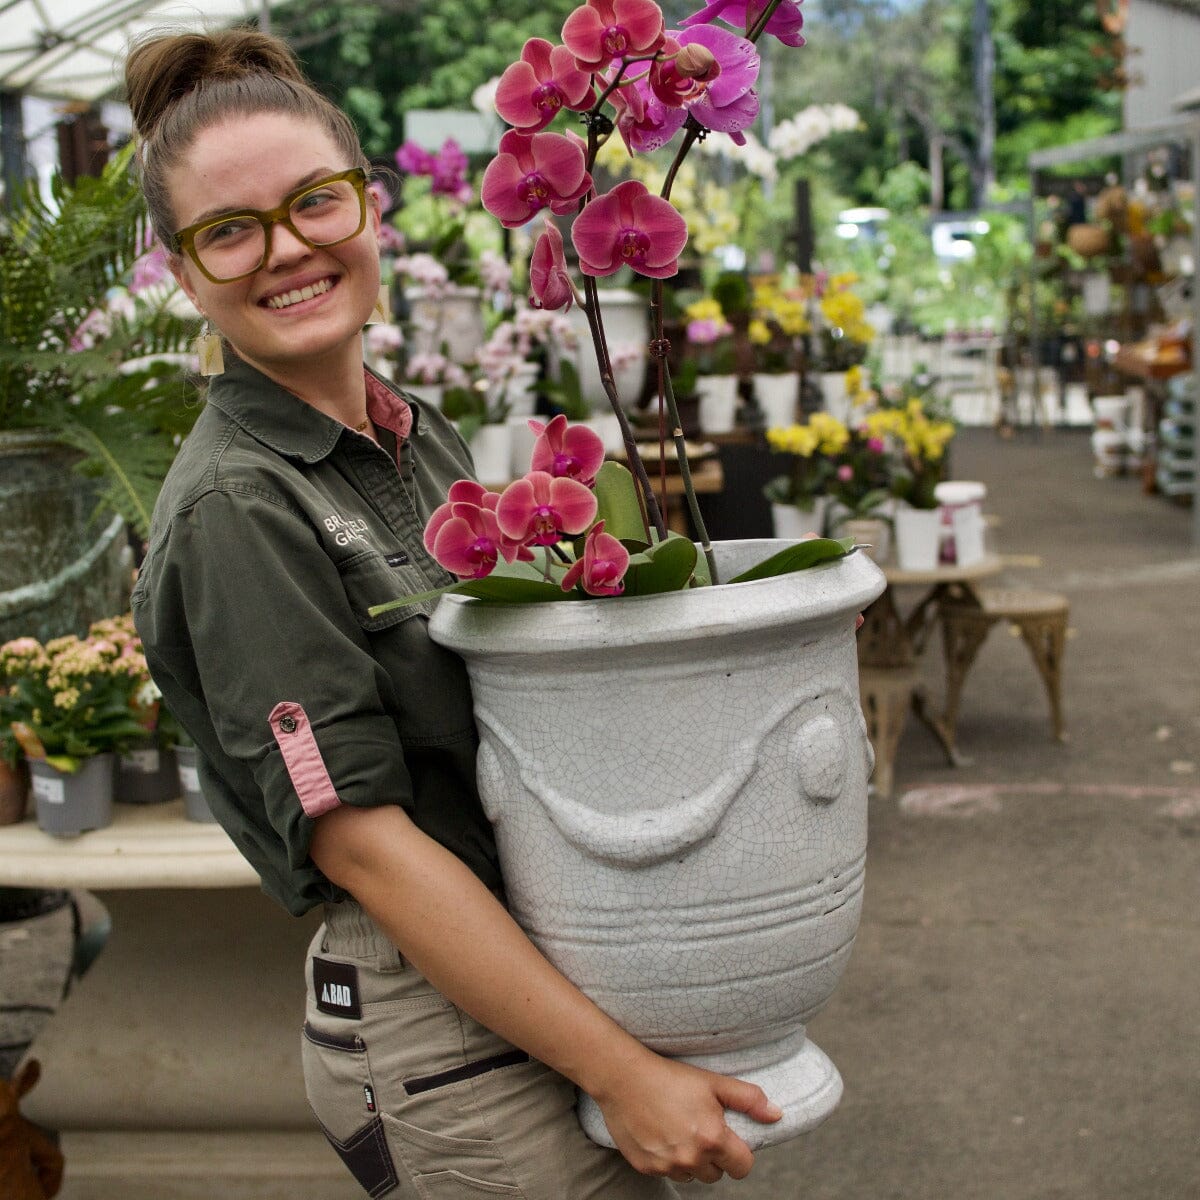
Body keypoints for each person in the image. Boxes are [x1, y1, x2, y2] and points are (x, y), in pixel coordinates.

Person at [125, 29, 782, 1199]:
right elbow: (363, 844)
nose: (285, 251)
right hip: (443, 1039)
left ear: (368, 208)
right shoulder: (239, 506)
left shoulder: (417, 435)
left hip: (527, 979)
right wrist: (620, 1071)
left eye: (313, 203)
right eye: (229, 230)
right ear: (183, 270)